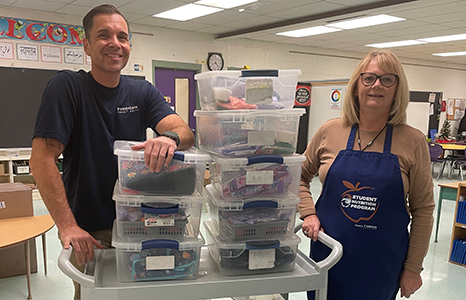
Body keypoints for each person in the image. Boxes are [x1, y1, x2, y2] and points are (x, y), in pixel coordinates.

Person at [29, 4, 194, 300]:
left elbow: (185, 132)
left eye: (122, 36)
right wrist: (67, 226)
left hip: (141, 224)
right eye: (104, 35)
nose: (115, 43)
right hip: (91, 232)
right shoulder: (68, 87)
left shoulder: (141, 92)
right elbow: (42, 159)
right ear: (87, 45)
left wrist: (168, 138)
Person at [299, 49, 434, 300]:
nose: (377, 86)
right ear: (356, 85)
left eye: (387, 79)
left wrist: (413, 268)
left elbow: (424, 210)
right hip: (328, 256)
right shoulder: (330, 131)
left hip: (381, 265)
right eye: (369, 78)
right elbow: (296, 176)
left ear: (397, 88)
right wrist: (308, 212)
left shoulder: (412, 141)